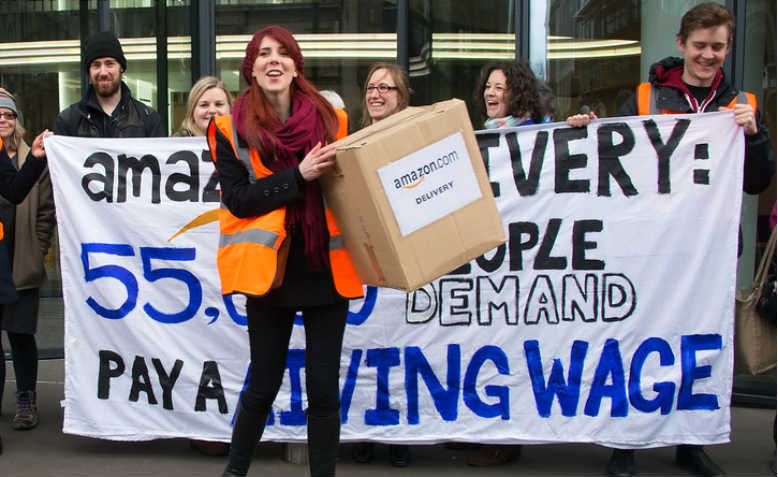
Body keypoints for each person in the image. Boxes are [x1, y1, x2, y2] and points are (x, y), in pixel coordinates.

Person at [567, 3, 773, 477]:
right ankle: (626, 443)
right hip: (651, 249)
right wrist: (584, 130)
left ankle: (691, 442)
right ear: (681, 45)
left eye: (718, 47)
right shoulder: (645, 99)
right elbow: (608, 159)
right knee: (638, 340)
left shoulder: (742, 106)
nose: (708, 56)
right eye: (700, 46)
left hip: (710, 254)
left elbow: (757, 183)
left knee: (700, 346)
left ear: (728, 47)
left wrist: (755, 137)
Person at [206, 25, 362, 477]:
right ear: (251, 69)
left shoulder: (334, 118)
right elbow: (239, 200)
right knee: (263, 384)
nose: (274, 61)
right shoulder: (226, 128)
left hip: (324, 267)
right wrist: (299, 175)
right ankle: (235, 472)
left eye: (283, 53)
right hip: (269, 273)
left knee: (323, 390)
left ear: (296, 65)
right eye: (263, 54)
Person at [463, 58, 553, 468]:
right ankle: (483, 429)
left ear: (518, 93)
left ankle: (507, 437)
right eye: (488, 87)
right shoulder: (480, 137)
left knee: (513, 346)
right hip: (489, 256)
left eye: (501, 88)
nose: (491, 94)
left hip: (523, 261)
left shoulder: (540, 137)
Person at [350, 62, 413, 469]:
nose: (376, 94)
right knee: (368, 349)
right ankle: (368, 433)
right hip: (368, 261)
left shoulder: (414, 137)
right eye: (371, 87)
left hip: (406, 258)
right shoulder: (352, 141)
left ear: (401, 97)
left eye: (386, 88)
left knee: (404, 349)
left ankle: (402, 437)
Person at [175, 76, 233, 456]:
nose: (211, 111)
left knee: (230, 345)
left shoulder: (245, 149)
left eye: (219, 104)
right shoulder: (171, 154)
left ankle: (230, 421)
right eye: (204, 104)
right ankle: (199, 423)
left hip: (229, 265)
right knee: (193, 346)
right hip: (187, 273)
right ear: (191, 111)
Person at [0, 89, 55, 435]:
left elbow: (44, 210)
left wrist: (37, 246)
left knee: (21, 335)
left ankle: (26, 399)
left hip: (20, 260)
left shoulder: (30, 158)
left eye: (9, 114)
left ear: (17, 120)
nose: (3, 120)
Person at [54, 30, 163, 138]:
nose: (103, 72)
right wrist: (39, 155)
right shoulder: (68, 120)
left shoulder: (148, 119)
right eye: (96, 65)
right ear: (89, 71)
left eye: (109, 64)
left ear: (121, 68)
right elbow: (57, 155)